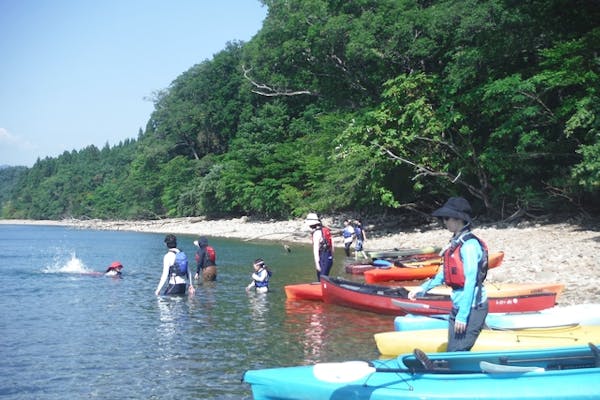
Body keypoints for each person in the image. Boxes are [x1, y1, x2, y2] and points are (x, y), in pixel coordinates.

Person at [408, 197, 489, 352]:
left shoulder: (469, 246)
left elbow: (470, 281)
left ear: (458, 219)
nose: (444, 222)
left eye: (446, 218)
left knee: (457, 352)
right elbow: (444, 274)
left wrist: (462, 315)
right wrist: (422, 289)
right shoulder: (455, 242)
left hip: (473, 307)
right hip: (458, 305)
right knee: (452, 350)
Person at [305, 213, 334, 281]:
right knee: (325, 277)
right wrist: (332, 257)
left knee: (321, 279)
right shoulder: (325, 230)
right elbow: (332, 246)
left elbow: (315, 250)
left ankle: (324, 290)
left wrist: (317, 264)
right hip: (329, 257)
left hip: (323, 258)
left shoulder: (316, 233)